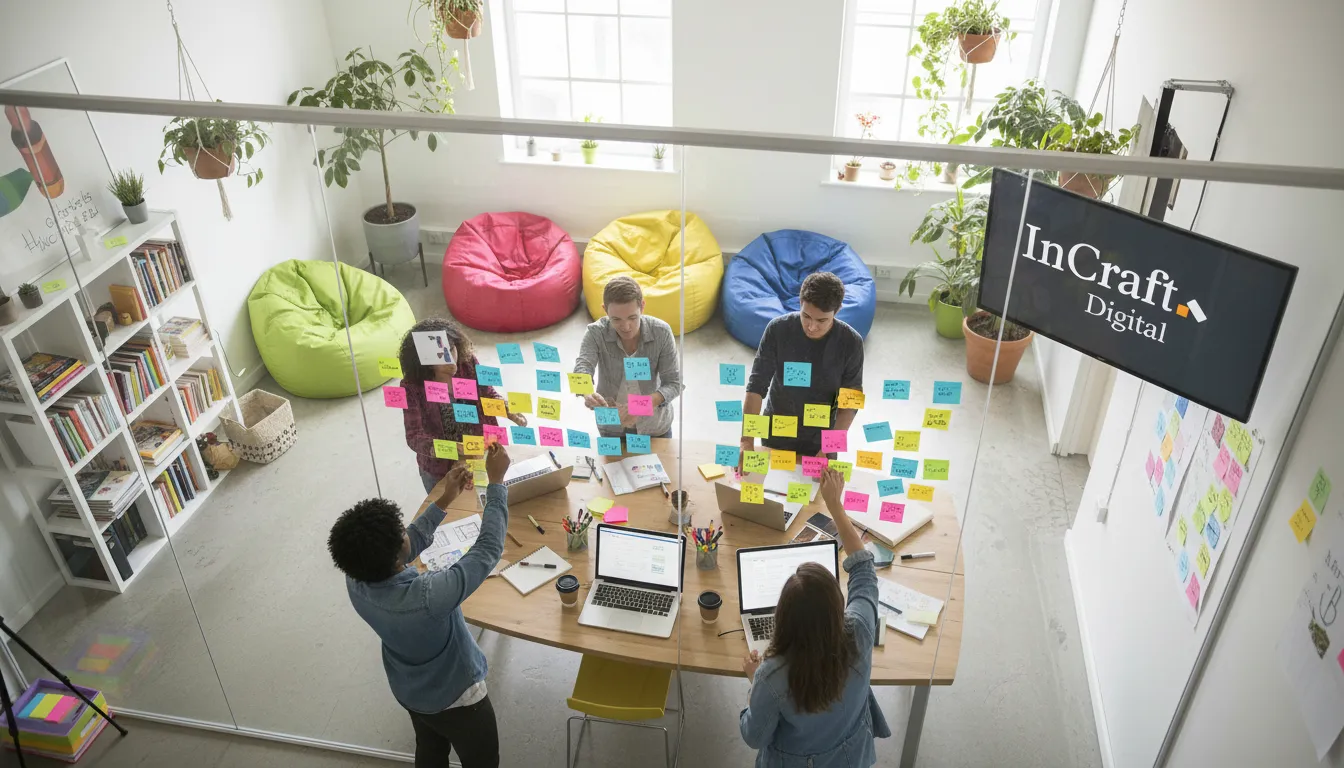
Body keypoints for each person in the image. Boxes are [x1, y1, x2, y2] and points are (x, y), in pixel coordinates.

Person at [328, 441, 513, 768]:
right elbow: (486, 552)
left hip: (410, 691)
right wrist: (496, 484)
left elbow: (403, 548)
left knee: (429, 747)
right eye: (402, 531)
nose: (406, 533)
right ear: (396, 554)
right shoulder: (428, 597)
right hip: (460, 699)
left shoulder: (356, 579)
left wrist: (444, 500)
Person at [739, 467, 890, 767]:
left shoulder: (771, 675)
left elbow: (754, 736)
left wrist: (753, 681)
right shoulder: (859, 630)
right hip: (851, 757)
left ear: (783, 619)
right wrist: (835, 504)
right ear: (837, 605)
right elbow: (864, 570)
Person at [742, 272, 863, 463]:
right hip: (778, 429)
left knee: (816, 491)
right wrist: (746, 440)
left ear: (837, 311)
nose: (812, 326)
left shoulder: (851, 342)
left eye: (822, 320)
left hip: (822, 438)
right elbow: (756, 386)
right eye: (806, 316)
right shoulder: (777, 330)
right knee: (773, 487)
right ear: (800, 303)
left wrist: (829, 448)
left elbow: (850, 403)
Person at [399, 318, 526, 494]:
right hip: (440, 470)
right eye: (440, 356)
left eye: (451, 350)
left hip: (481, 454)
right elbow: (414, 437)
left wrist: (506, 408)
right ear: (423, 361)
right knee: (449, 516)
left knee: (486, 502)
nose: (451, 361)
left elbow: (486, 392)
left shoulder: (468, 363)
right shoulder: (412, 387)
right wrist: (454, 450)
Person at [574, 275, 683, 439]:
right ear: (605, 310)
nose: (625, 327)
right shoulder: (595, 332)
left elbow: (674, 383)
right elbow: (582, 369)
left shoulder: (662, 332)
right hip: (610, 426)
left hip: (654, 427)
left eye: (632, 317)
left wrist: (640, 406)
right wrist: (586, 392)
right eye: (616, 319)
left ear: (642, 307)